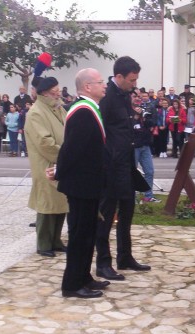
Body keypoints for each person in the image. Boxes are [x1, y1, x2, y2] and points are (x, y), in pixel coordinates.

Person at [52, 68, 109, 298]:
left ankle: (84, 277)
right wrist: (59, 172)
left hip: (89, 183)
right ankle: (72, 285)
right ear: (88, 87)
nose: (105, 85)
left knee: (88, 233)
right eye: (101, 81)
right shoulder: (83, 111)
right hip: (80, 184)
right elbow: (72, 149)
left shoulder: (91, 109)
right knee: (79, 236)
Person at [96, 56, 151, 281]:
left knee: (127, 211)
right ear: (118, 77)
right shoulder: (107, 97)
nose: (134, 84)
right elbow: (101, 131)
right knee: (107, 216)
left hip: (127, 164)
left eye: (136, 79)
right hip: (110, 166)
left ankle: (125, 256)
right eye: (131, 80)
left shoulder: (125, 95)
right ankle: (103, 263)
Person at [25, 77, 68, 257]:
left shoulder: (58, 108)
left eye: (58, 90)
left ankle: (56, 240)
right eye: (54, 91)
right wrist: (66, 156)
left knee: (60, 204)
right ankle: (43, 243)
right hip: (46, 164)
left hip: (62, 163)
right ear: (44, 93)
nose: (58, 93)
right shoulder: (36, 112)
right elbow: (44, 142)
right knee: (46, 205)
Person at [133, 103, 160, 203]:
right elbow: (127, 127)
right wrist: (135, 117)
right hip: (134, 146)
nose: (137, 99)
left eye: (139, 97)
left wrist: (145, 117)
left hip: (145, 145)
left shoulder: (146, 111)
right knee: (133, 172)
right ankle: (132, 196)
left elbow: (153, 123)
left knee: (149, 171)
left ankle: (148, 196)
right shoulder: (127, 111)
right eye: (135, 97)